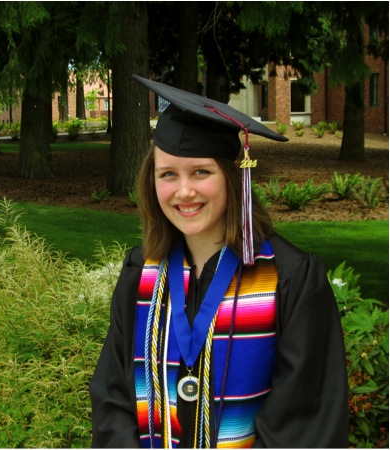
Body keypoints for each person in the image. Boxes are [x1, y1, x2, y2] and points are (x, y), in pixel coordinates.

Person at [89, 75, 349, 448]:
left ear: (232, 177)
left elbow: (304, 420)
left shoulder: (290, 279)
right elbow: (113, 399)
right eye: (168, 175)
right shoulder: (139, 275)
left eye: (201, 172)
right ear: (152, 182)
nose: (184, 191)